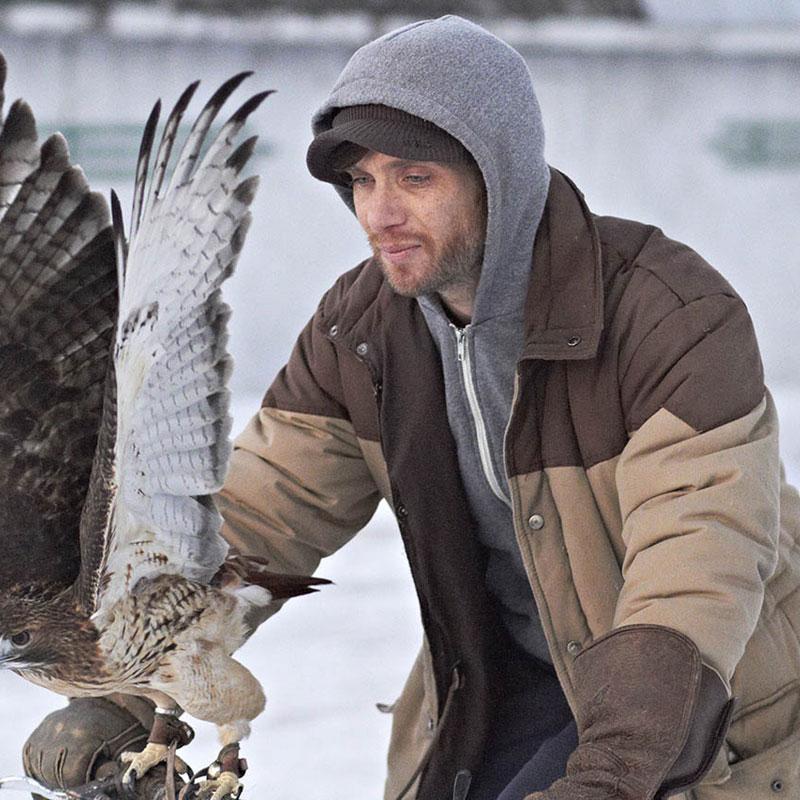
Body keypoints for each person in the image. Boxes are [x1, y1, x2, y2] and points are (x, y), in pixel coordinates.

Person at [24, 15, 800, 800]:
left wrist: (614, 774)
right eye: (361, 181)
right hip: (499, 680)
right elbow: (259, 515)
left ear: (498, 176)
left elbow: (697, 567)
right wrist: (118, 686)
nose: (379, 213)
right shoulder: (360, 331)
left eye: (414, 178)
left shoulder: (669, 312)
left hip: (691, 699)